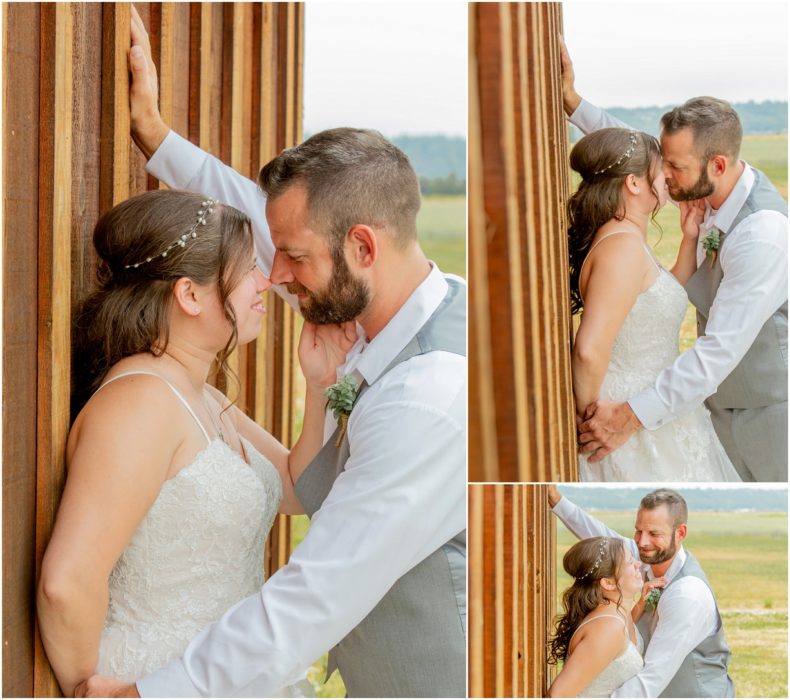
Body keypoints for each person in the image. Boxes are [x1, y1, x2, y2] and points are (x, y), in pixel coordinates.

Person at [76, 6, 467, 697]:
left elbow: (318, 594)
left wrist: (146, 694)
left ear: (363, 248)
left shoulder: (431, 395)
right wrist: (156, 137)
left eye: (286, 258)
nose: (274, 277)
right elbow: (271, 227)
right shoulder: (374, 298)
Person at [37, 189, 354, 697]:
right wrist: (84, 688)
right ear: (189, 295)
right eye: (249, 268)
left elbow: (296, 487)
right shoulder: (140, 402)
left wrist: (317, 387)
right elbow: (65, 585)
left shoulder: (198, 394)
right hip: (154, 678)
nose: (266, 282)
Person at [561, 41, 788, 482]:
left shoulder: (763, 234)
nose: (663, 174)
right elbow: (632, 155)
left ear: (717, 165)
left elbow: (718, 352)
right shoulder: (698, 185)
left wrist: (628, 416)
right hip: (702, 406)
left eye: (675, 168)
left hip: (768, 414)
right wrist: (574, 104)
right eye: (661, 164)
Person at [569, 127, 739, 481]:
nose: (668, 177)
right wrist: (591, 423)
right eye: (661, 168)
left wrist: (689, 239)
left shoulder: (627, 238)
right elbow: (588, 349)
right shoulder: (622, 247)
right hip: (624, 413)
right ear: (634, 183)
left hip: (652, 409)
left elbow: (652, 304)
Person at [548, 485, 735, 697]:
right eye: (638, 531)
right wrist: (558, 503)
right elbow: (603, 547)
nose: (642, 542)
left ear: (680, 533)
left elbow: (651, 679)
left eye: (654, 533)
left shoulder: (687, 595)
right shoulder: (644, 556)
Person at [547, 537, 665, 697]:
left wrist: (642, 603)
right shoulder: (608, 627)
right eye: (630, 562)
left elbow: (624, 639)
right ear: (608, 584)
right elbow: (558, 695)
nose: (638, 564)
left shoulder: (616, 611)